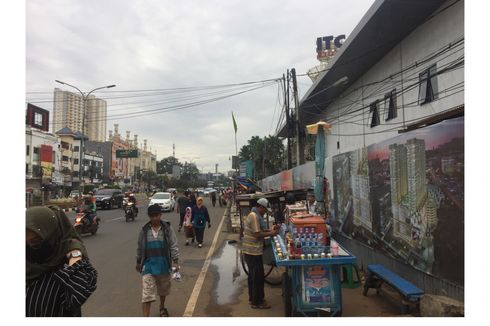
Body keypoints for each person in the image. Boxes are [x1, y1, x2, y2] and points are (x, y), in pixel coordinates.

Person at [26, 205, 97, 317]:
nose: (28, 247)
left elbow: (77, 295)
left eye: (35, 242)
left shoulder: (66, 269)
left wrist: (75, 252)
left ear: (53, 237)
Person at [136, 204, 180, 317]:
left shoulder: (167, 228)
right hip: (148, 266)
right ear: (149, 216)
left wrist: (175, 261)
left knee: (163, 289)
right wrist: (138, 261)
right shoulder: (144, 230)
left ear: (161, 215)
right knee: (147, 294)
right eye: (152, 216)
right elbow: (140, 247)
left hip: (164, 265)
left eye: (156, 215)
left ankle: (162, 307)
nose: (154, 218)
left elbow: (173, 244)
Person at [242, 198, 279, 309]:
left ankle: (253, 298)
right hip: (252, 251)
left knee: (253, 276)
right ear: (260, 207)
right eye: (264, 210)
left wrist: (271, 230)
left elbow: (260, 230)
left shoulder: (256, 215)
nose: (265, 212)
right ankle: (257, 302)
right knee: (257, 277)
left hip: (252, 251)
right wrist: (271, 233)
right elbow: (257, 234)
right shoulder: (254, 216)